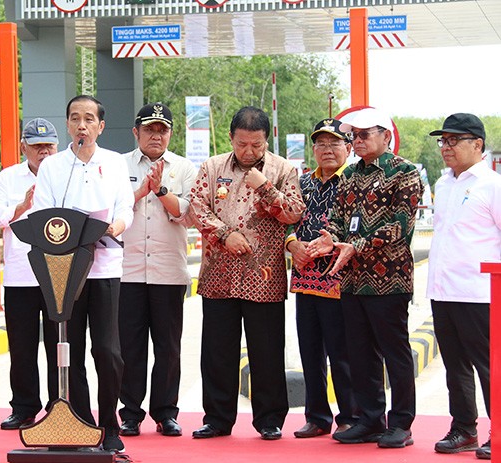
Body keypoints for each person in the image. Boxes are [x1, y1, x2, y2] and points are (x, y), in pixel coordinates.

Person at [306, 107, 423, 449]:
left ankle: (401, 423)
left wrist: (355, 245)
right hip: (353, 280)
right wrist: (330, 238)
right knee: (359, 354)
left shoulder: (404, 173)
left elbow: (400, 226)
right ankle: (369, 420)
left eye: (364, 134)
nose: (357, 141)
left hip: (389, 280)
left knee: (395, 353)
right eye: (353, 136)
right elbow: (337, 219)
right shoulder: (350, 176)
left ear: (386, 136)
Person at [189, 106, 305, 441]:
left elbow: (294, 213)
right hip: (218, 274)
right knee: (217, 352)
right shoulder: (213, 167)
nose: (249, 152)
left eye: (257, 145)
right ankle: (217, 418)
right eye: (242, 144)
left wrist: (265, 186)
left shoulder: (283, 169)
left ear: (266, 140)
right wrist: (225, 234)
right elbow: (197, 207)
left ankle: (269, 419)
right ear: (231, 138)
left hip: (263, 278)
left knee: (267, 351)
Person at [31, 95, 134, 452]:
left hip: (105, 267)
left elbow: (125, 207)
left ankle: (109, 424)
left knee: (108, 350)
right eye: (75, 118)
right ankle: (81, 422)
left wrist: (115, 226)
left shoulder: (115, 163)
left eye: (89, 119)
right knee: (67, 349)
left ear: (100, 126)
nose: (82, 125)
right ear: (67, 124)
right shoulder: (53, 167)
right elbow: (41, 212)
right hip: (64, 269)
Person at [117, 103, 196, 439]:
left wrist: (161, 190)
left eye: (162, 130)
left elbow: (188, 215)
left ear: (171, 134)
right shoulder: (118, 165)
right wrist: (141, 191)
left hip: (168, 271)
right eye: (149, 129)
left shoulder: (185, 168)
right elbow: (113, 210)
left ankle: (166, 413)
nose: (156, 135)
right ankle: (130, 414)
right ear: (136, 132)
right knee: (129, 347)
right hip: (127, 272)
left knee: (168, 347)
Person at [426, 113, 496, 459]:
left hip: (479, 292)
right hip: (443, 290)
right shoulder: (443, 184)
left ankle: (499, 430)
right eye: (443, 141)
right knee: (455, 366)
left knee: (489, 367)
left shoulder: (492, 185)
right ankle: (464, 428)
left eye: (454, 140)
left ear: (477, 144)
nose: (446, 147)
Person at [286, 119, 357, 438]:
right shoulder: (302, 183)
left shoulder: (354, 181)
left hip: (341, 281)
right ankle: (316, 416)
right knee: (310, 351)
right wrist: (292, 244)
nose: (327, 150)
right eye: (321, 144)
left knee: (343, 354)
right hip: (305, 280)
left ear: (348, 148)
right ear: (313, 149)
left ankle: (351, 416)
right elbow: (285, 220)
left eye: (335, 143)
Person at [0, 118, 58, 430]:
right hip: (20, 275)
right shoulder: (9, 177)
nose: (43, 152)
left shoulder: (67, 174)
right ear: (23, 147)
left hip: (58, 274)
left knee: (60, 346)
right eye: (37, 146)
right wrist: (21, 207)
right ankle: (24, 408)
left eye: (49, 146)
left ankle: (60, 405)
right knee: (22, 347)